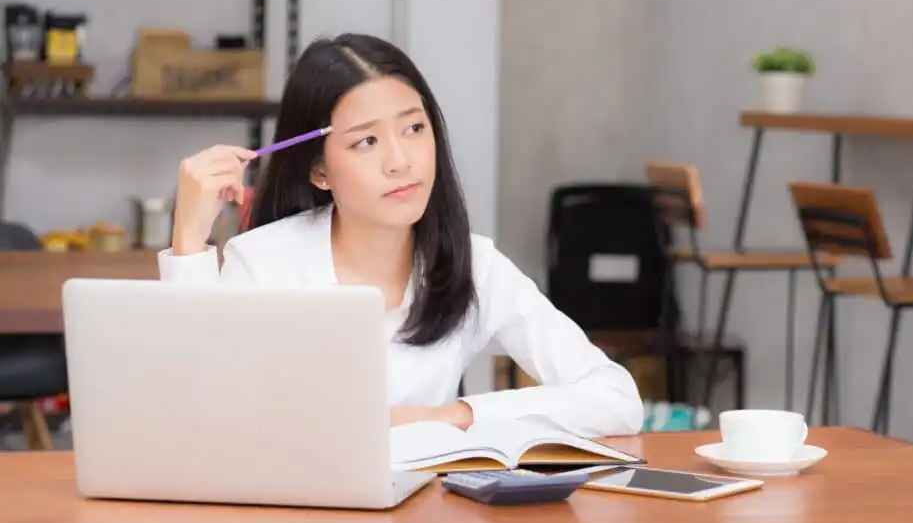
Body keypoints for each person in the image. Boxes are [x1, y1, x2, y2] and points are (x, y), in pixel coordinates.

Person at [158, 32, 643, 439]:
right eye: (366, 140)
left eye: (413, 128)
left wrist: (452, 416)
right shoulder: (264, 262)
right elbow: (194, 417)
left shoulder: (473, 265)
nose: (400, 160)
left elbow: (616, 399)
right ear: (319, 170)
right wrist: (188, 241)